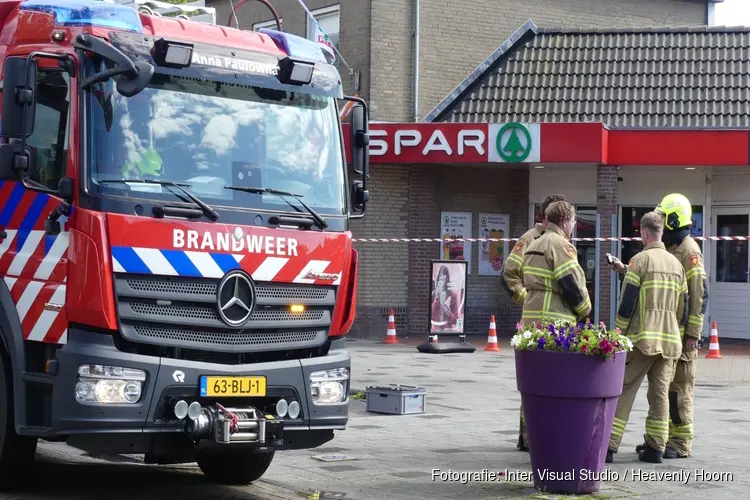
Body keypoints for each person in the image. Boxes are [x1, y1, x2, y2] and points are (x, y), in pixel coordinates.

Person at [609, 194, 706, 459]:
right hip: (670, 338)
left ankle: (677, 443)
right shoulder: (674, 256)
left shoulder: (689, 251)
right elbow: (678, 301)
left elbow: (697, 297)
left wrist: (691, 335)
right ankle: (657, 444)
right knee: (662, 394)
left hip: (662, 339)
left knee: (676, 392)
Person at [516, 200, 591, 452]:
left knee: (533, 382)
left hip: (531, 319)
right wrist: (584, 310)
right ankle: (551, 436)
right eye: (573, 222)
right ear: (567, 221)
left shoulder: (532, 243)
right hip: (555, 322)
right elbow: (571, 283)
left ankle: (529, 436)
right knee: (556, 382)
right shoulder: (561, 245)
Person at [501, 194, 567, 306]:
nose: (563, 220)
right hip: (537, 316)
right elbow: (508, 273)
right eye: (559, 215)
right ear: (547, 216)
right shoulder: (529, 238)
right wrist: (527, 300)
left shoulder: (562, 241)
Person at [430, 264, 459, 333]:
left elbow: (456, 320)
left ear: (447, 279)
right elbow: (431, 316)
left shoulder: (453, 295)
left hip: (448, 330)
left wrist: (449, 313)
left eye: (444, 277)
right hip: (435, 329)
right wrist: (436, 299)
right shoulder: (434, 294)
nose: (442, 280)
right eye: (440, 277)